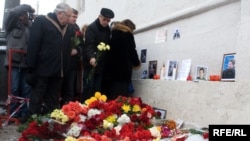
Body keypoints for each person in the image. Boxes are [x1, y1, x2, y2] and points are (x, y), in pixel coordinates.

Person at [26, 3, 73, 115]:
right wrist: (31, 66)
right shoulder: (42, 21)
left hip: (58, 70)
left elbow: (67, 49)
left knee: (53, 99)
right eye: (68, 15)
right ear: (60, 14)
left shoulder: (68, 28)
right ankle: (33, 122)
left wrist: (65, 68)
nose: (70, 18)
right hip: (42, 69)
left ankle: (51, 124)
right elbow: (33, 44)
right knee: (37, 97)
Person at [4, 4, 34, 123]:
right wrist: (27, 7)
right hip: (14, 62)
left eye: (27, 14)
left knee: (26, 89)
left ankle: (24, 114)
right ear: (20, 16)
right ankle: (13, 114)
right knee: (14, 88)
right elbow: (13, 13)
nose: (27, 16)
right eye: (25, 14)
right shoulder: (11, 25)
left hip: (26, 63)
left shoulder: (30, 27)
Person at [82, 8, 114, 102]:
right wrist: (91, 57)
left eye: (108, 21)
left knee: (97, 88)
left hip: (100, 63)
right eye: (104, 19)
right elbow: (89, 45)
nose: (106, 22)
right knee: (89, 86)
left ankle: (95, 107)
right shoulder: (92, 28)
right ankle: (85, 105)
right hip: (90, 63)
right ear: (99, 17)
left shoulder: (107, 29)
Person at [105, 19, 140, 99]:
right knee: (121, 97)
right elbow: (132, 51)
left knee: (112, 96)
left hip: (110, 71)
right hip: (123, 71)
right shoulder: (127, 35)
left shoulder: (113, 33)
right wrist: (136, 63)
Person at [60, 8, 84, 106]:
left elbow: (82, 45)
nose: (74, 19)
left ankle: (68, 109)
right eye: (73, 17)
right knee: (59, 88)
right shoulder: (61, 26)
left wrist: (77, 50)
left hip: (72, 63)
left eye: (76, 17)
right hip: (60, 63)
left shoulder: (77, 29)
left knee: (70, 89)